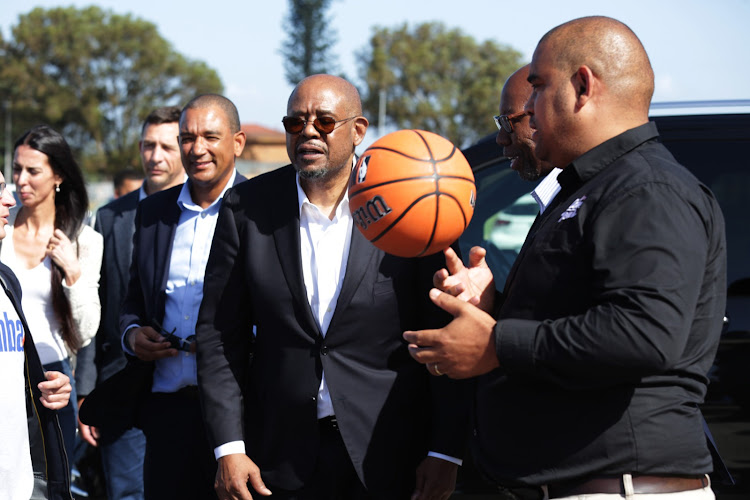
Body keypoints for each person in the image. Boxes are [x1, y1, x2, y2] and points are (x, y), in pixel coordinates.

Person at [404, 16, 724, 500]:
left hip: (622, 490)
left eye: (536, 88)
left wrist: (498, 343)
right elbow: (584, 316)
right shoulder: (596, 186)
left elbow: (644, 333)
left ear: (582, 86)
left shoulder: (646, 188)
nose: (528, 109)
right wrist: (494, 303)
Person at [195, 74, 469, 500]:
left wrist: (446, 451)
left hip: (390, 455)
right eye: (294, 123)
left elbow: (446, 335)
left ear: (358, 130)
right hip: (279, 460)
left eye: (324, 121)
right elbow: (218, 336)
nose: (307, 131)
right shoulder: (246, 209)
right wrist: (229, 447)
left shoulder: (409, 206)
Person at [116, 94, 246, 500]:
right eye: (187, 137)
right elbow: (134, 299)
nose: (197, 148)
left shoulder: (263, 210)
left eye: (210, 136)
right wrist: (133, 333)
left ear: (238, 143)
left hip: (242, 415)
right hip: (166, 409)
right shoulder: (153, 211)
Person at [75, 105, 185, 500]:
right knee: (126, 494)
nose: (156, 156)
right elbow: (95, 303)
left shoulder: (208, 215)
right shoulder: (110, 217)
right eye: (148, 145)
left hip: (188, 386)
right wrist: (85, 389)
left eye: (167, 146)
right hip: (121, 384)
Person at [1, 124, 102, 474]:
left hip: (52, 379)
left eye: (33, 171)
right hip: (4, 371)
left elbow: (86, 330)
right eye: (16, 169)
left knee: (51, 482)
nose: (21, 180)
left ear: (58, 175)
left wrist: (72, 272)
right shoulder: (1, 225)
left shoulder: (83, 240)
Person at [0, 169, 73, 499]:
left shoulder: (6, 282)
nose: (10, 199)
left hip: (21, 484)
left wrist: (46, 390)